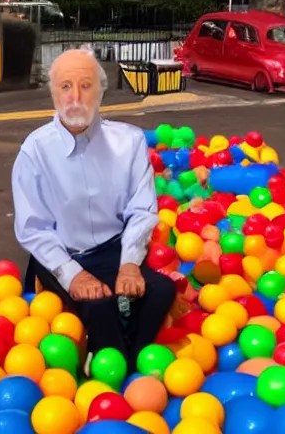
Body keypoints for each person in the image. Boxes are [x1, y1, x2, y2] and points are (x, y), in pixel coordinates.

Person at [12, 47, 175, 368]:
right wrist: (74, 276)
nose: (75, 97)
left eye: (85, 86)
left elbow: (141, 211)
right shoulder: (35, 151)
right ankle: (113, 365)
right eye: (65, 86)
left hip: (114, 249)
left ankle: (128, 361)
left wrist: (129, 264)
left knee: (161, 291)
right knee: (100, 306)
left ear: (100, 92)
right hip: (61, 253)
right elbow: (34, 230)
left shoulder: (128, 142)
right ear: (53, 93)